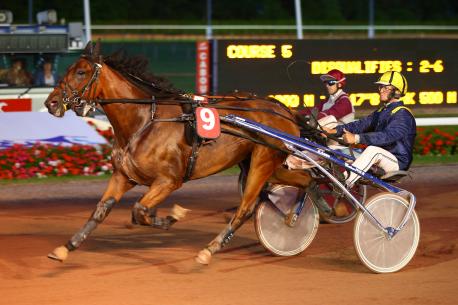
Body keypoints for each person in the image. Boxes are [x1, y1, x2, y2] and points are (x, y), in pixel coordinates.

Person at [324, 71, 416, 188]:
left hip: (396, 161)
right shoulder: (381, 112)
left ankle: (345, 183)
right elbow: (359, 125)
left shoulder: (403, 114)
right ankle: (302, 168)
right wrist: (334, 131)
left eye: (386, 88)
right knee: (331, 149)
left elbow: (386, 137)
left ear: (397, 91)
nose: (381, 90)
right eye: (381, 87)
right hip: (378, 157)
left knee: (373, 150)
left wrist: (356, 138)